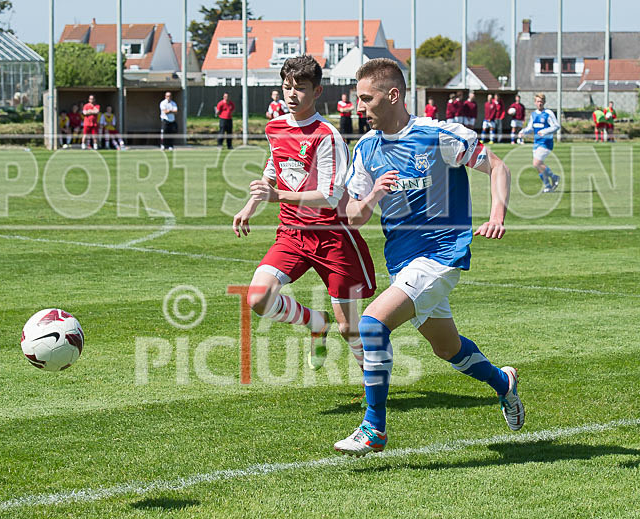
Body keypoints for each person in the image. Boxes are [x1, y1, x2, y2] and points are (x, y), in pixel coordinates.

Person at [333, 58, 523, 457]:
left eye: (366, 98)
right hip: (402, 261)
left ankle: (374, 428)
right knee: (447, 348)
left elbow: (498, 167)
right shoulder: (366, 148)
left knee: (371, 326)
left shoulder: (439, 135)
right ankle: (504, 383)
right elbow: (353, 216)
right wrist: (373, 195)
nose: (359, 106)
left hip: (441, 254)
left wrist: (496, 215)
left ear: (393, 95)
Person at [232, 55, 376, 374]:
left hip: (332, 238)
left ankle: (374, 392)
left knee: (349, 329)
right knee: (257, 297)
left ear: (317, 91)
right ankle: (315, 322)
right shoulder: (275, 128)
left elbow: (330, 196)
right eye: (287, 87)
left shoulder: (327, 136)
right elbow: (274, 169)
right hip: (292, 235)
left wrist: (276, 196)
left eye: (300, 88)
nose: (292, 94)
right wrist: (250, 205)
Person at [519, 93, 561, 193]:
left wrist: (545, 131)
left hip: (546, 142)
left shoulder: (548, 113)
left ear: (544, 102)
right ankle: (547, 186)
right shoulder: (534, 114)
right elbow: (530, 128)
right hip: (536, 142)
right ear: (535, 102)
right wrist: (522, 132)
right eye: (538, 101)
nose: (539, 103)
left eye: (541, 102)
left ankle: (554, 177)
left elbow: (556, 126)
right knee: (538, 166)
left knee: (536, 163)